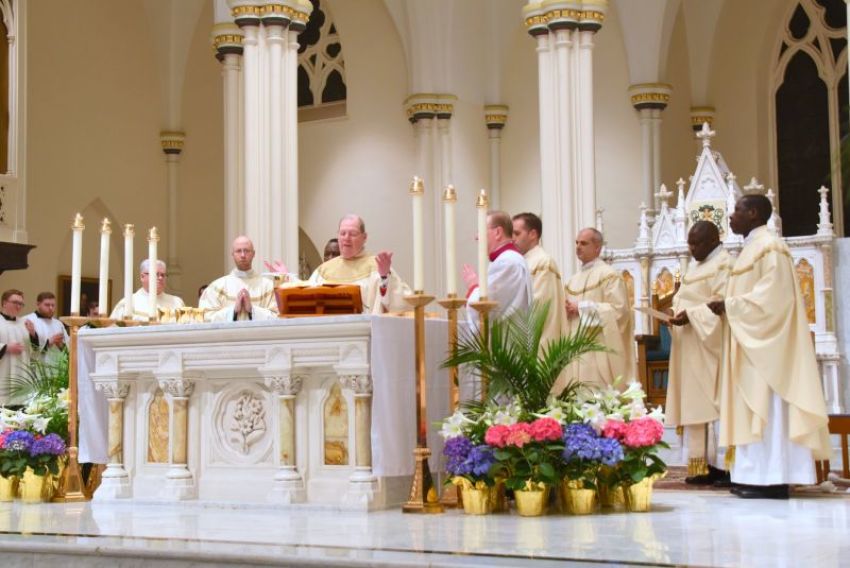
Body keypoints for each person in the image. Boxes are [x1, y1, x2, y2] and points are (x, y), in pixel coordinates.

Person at [708, 194, 830, 499]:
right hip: (750, 344)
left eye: (736, 210)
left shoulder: (770, 247)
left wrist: (730, 305)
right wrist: (728, 307)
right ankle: (753, 476)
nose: (731, 216)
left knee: (769, 408)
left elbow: (774, 298)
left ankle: (774, 479)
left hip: (768, 348)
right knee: (751, 406)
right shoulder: (751, 249)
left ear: (753, 213)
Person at [666, 221, 731, 486]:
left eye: (698, 243)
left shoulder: (725, 264)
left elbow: (722, 304)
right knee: (694, 403)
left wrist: (692, 315)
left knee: (713, 401)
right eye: (690, 243)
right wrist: (672, 312)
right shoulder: (694, 266)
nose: (692, 249)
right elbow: (682, 297)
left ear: (714, 240)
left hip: (710, 344)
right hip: (690, 343)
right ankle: (701, 464)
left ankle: (724, 466)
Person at [560, 227, 635, 392]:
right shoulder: (572, 281)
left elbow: (619, 311)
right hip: (575, 346)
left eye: (584, 243)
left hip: (597, 348)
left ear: (597, 248)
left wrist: (581, 308)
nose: (578, 247)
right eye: (577, 243)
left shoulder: (609, 275)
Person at [304, 215, 411, 313]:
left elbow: (401, 304)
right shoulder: (323, 271)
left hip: (366, 332)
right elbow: (303, 299)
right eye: (343, 233)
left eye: (353, 234)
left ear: (364, 237)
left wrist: (384, 278)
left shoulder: (377, 266)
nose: (346, 238)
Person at [464, 210, 533, 326]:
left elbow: (486, 308)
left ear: (498, 232)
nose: (477, 237)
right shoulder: (508, 259)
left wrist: (473, 286)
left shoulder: (507, 262)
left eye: (481, 231)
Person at [512, 212, 565, 347]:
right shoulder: (523, 262)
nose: (512, 239)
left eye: (517, 234)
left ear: (533, 234)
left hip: (538, 342)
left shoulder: (542, 262)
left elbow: (538, 307)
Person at [200, 235, 278, 321]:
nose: (243, 255)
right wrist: (233, 311)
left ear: (253, 254)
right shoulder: (217, 287)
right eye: (238, 251)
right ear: (232, 254)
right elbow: (205, 318)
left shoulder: (268, 286)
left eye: (246, 251)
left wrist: (252, 310)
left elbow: (279, 317)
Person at [110, 259, 186, 321]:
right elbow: (113, 330)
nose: (160, 278)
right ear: (142, 277)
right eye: (156, 274)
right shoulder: (128, 303)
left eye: (163, 275)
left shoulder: (177, 302)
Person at [0, 289, 37, 406]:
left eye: (21, 304)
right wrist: (5, 348)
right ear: (4, 303)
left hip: (21, 375)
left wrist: (33, 334)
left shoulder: (24, 323)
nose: (18, 306)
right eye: (15, 302)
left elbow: (35, 350)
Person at [23, 291, 69, 367]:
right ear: (38, 304)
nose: (51, 308)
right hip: (37, 368)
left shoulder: (58, 324)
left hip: (57, 368)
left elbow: (67, 349)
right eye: (47, 305)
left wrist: (61, 345)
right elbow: (27, 349)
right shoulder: (28, 320)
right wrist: (48, 343)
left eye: (53, 305)